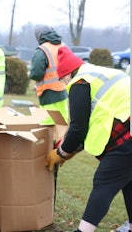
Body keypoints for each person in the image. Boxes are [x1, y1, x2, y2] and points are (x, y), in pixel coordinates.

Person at [45, 46, 132, 232]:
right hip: (126, 126)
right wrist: (70, 151)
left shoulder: (80, 83)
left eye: (61, 78)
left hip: (127, 134)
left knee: (104, 182)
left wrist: (60, 153)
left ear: (68, 74)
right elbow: (85, 129)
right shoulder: (99, 73)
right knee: (129, 181)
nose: (62, 82)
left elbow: (77, 129)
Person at [29, 25, 68, 124]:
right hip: (63, 90)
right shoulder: (63, 45)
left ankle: (50, 140)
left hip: (48, 92)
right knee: (62, 122)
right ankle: (61, 139)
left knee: (48, 123)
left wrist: (30, 73)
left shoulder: (42, 50)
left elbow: (36, 74)